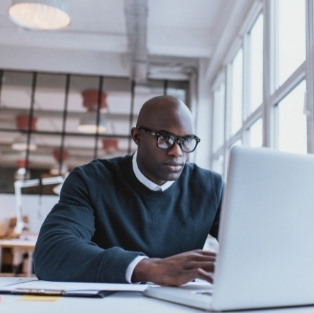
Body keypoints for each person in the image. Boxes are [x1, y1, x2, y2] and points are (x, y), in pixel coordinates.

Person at [33, 95, 223, 286]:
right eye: (165, 139)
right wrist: (148, 268)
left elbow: (249, 244)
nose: (177, 152)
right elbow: (51, 252)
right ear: (137, 137)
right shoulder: (91, 181)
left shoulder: (210, 187)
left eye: (186, 140)